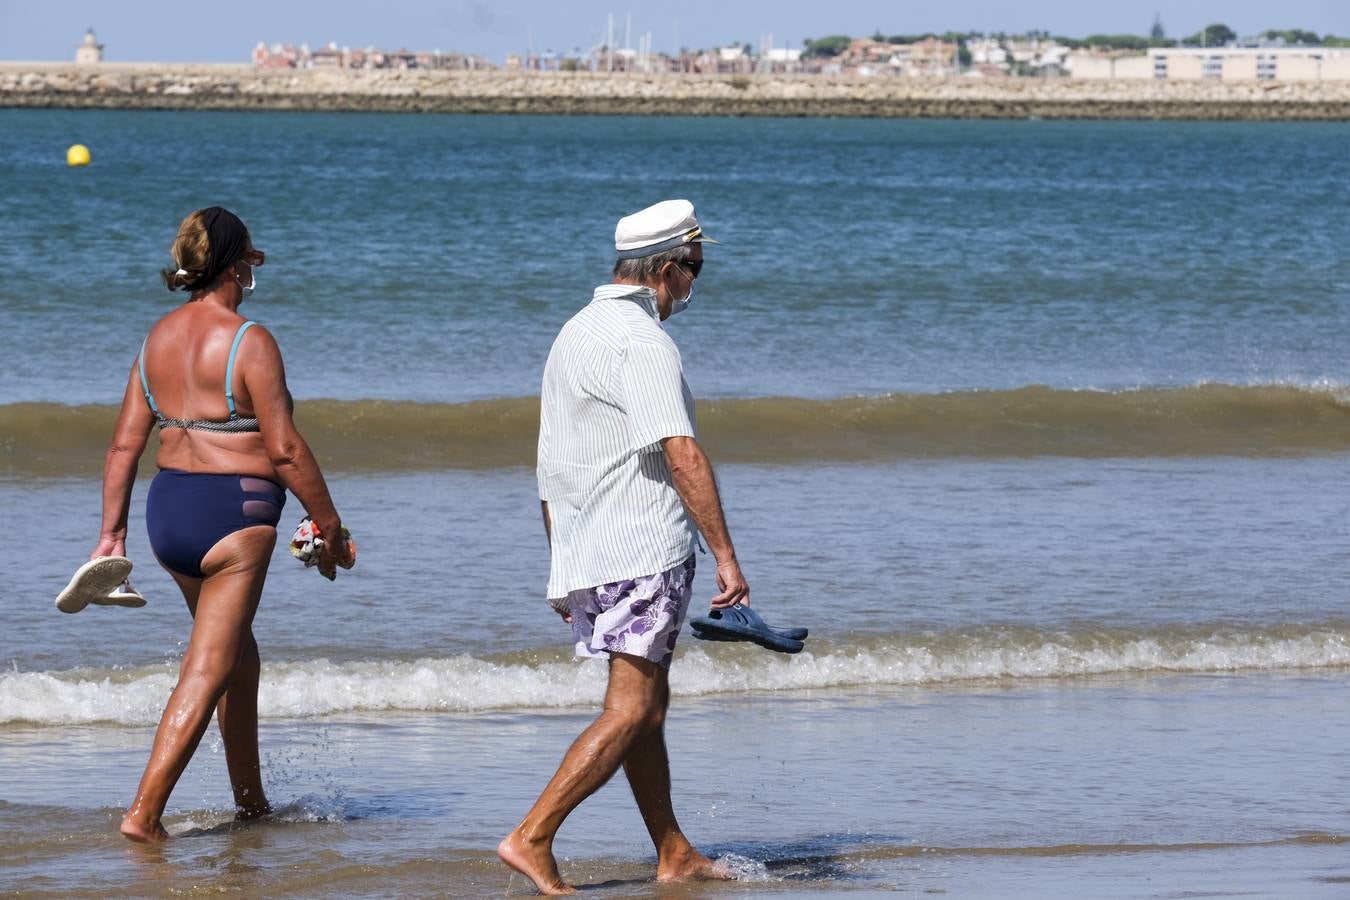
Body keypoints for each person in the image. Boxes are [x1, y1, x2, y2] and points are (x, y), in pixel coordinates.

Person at [498, 200, 749, 893]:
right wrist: (726, 555)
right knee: (631, 708)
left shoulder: (577, 331)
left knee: (650, 707)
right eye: (695, 270)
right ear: (666, 269)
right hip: (642, 551)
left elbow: (551, 462)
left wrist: (563, 566)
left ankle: (673, 851)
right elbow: (681, 451)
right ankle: (532, 835)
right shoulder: (641, 342)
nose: (697, 284)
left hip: (592, 550)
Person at [93, 207, 352, 842]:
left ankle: (251, 803)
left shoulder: (156, 338)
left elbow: (125, 447)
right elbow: (285, 448)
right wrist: (330, 525)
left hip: (169, 513)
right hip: (234, 513)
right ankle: (143, 815)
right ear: (240, 264)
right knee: (209, 665)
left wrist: (112, 536)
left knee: (238, 656)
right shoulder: (250, 340)